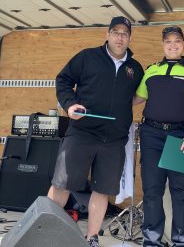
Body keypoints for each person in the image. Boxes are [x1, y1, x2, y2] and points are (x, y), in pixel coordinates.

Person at [47, 16, 144, 247]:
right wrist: (70, 104)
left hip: (114, 140)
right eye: (116, 32)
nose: (120, 37)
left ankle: (92, 238)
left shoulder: (135, 68)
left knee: (102, 190)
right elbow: (63, 80)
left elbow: (137, 97)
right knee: (62, 184)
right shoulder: (87, 57)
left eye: (125, 34)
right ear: (107, 34)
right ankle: (45, 232)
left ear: (129, 38)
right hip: (82, 133)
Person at [134, 26, 184, 247]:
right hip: (151, 135)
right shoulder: (151, 70)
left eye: (177, 41)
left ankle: (182, 242)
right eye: (168, 42)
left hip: (181, 136)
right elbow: (135, 99)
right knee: (152, 191)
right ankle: (152, 241)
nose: (172, 45)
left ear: (183, 44)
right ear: (162, 45)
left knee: (181, 193)